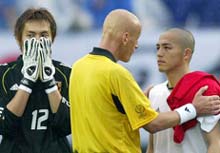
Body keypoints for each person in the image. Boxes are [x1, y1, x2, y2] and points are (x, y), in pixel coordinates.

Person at [69, 9, 220, 153]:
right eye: (136, 39)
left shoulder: (78, 67)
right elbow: (153, 124)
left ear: (186, 54)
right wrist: (193, 109)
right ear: (126, 38)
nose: (136, 46)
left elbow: (104, 110)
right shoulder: (116, 73)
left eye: (166, 47)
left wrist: (135, 99)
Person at [0, 8, 71, 153]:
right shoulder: (3, 74)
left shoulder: (65, 73)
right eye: (31, 35)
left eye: (44, 35)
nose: (38, 41)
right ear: (19, 39)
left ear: (53, 39)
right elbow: (5, 126)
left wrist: (49, 82)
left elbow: (66, 125)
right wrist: (28, 80)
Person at [145, 28, 220, 153]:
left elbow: (215, 143)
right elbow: (152, 147)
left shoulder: (204, 89)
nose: (159, 53)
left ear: (186, 54)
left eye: (167, 48)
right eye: (157, 47)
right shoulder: (154, 92)